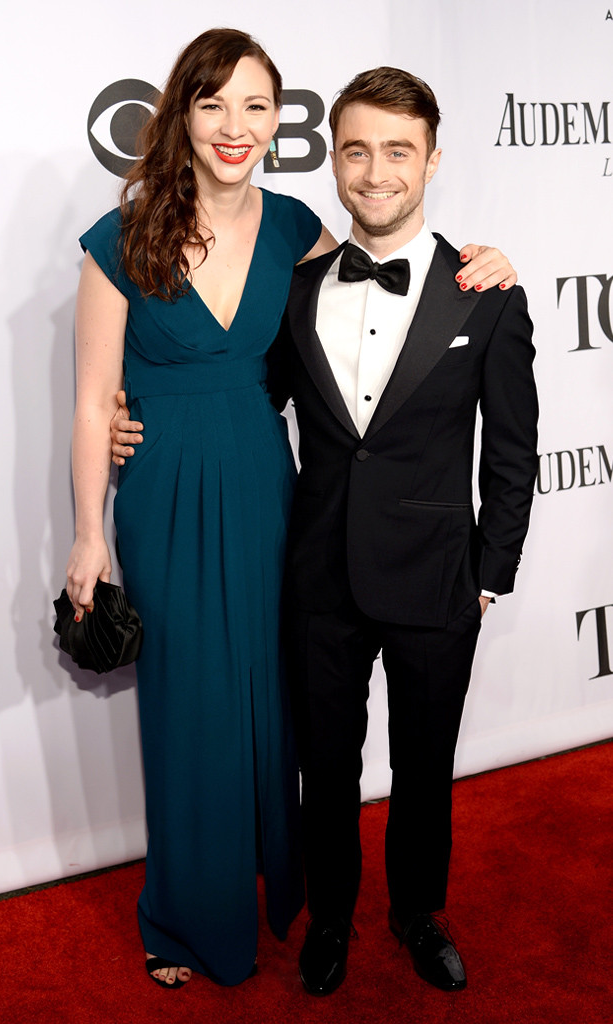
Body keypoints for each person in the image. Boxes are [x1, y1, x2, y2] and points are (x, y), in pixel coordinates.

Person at [92, 33, 516, 991]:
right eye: (355, 150)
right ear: (331, 157)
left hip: (415, 564)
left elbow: (510, 446)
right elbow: (223, 379)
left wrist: (492, 570)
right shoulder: (259, 263)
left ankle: (415, 913)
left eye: (397, 150)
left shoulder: (447, 283)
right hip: (295, 552)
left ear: (431, 159)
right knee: (314, 759)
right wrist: (129, 419)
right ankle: (321, 920)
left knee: (417, 768)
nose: (374, 170)